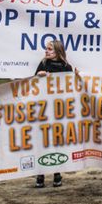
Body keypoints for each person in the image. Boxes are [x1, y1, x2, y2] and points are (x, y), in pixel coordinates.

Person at [34, 40, 73, 188]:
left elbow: (71, 88)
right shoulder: (43, 64)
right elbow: (33, 83)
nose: (46, 51)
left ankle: (57, 173)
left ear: (58, 51)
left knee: (57, 143)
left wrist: (76, 75)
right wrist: (38, 76)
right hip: (43, 110)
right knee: (42, 142)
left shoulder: (66, 67)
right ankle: (40, 174)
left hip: (59, 111)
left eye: (49, 49)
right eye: (46, 49)